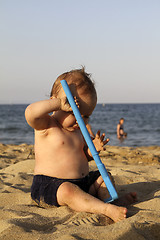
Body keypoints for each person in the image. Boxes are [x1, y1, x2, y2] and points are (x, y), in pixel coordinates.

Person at [25, 68, 136, 223]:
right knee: (68, 191)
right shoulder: (46, 125)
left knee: (104, 178)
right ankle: (105, 209)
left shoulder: (78, 132)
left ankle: (110, 201)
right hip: (51, 186)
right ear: (56, 104)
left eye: (86, 116)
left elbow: (81, 158)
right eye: (75, 112)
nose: (80, 120)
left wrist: (91, 152)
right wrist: (58, 103)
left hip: (82, 184)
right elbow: (30, 112)